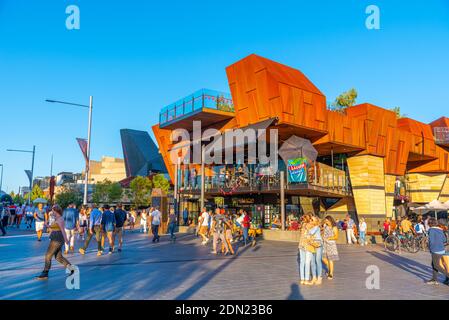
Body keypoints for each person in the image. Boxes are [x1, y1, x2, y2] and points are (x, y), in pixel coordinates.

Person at [36, 205, 72, 280]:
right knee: (58, 257)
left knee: (48, 255)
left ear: (56, 211)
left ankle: (45, 272)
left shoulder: (60, 219)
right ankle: (72, 269)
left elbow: (62, 230)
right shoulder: (57, 218)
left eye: (52, 210)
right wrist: (47, 224)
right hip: (55, 238)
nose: (51, 212)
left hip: (57, 239)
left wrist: (66, 240)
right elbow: (52, 227)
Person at [426, 218, 449, 285]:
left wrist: (431, 249)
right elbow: (444, 240)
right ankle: (434, 279)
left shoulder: (431, 230)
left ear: (430, 224)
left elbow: (431, 241)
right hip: (442, 250)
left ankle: (447, 275)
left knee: (436, 265)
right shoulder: (441, 230)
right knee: (433, 264)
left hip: (435, 250)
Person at [309, 216, 323, 285]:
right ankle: (314, 277)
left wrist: (308, 227)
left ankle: (319, 277)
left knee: (318, 260)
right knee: (312, 261)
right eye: (310, 219)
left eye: (312, 220)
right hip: (312, 244)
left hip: (318, 244)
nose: (310, 221)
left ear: (316, 221)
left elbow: (310, 233)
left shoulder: (316, 227)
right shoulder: (312, 227)